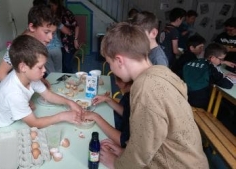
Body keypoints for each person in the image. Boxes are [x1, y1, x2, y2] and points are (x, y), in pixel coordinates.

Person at [98, 22, 209, 168]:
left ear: (119, 60)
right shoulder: (161, 71)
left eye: (109, 63)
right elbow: (149, 138)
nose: (111, 68)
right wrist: (125, 153)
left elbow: (141, 149)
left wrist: (117, 164)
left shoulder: (145, 87)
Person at [0, 35, 83, 142]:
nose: (44, 70)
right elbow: (34, 123)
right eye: (40, 67)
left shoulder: (29, 76)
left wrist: (70, 103)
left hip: (5, 122)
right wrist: (62, 116)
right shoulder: (14, 93)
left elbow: (48, 95)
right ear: (23, 67)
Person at [0, 5, 57, 82]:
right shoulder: (19, 45)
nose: (51, 37)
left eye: (53, 33)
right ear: (32, 27)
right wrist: (17, 91)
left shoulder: (40, 41)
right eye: (46, 32)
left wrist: (42, 81)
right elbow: (0, 73)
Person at [84, 76, 132, 148]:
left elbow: (123, 141)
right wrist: (108, 99)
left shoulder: (139, 101)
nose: (115, 83)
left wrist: (96, 117)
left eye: (118, 79)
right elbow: (126, 113)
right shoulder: (130, 93)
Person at [183, 43, 235, 109]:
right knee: (225, 108)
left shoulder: (190, 62)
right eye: (221, 59)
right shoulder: (210, 68)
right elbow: (227, 85)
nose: (221, 61)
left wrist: (222, 63)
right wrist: (229, 77)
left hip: (184, 95)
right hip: (198, 101)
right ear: (212, 58)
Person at [50, 0, 79, 73]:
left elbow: (76, 26)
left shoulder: (66, 13)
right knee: (61, 65)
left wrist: (75, 39)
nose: (51, 8)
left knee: (67, 64)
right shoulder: (51, 14)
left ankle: (70, 81)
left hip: (68, 43)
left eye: (52, 6)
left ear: (56, 5)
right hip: (59, 44)